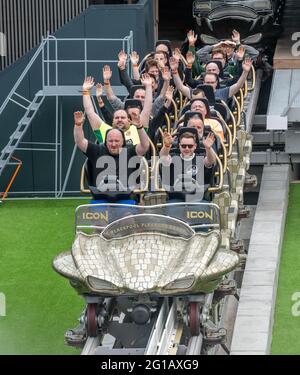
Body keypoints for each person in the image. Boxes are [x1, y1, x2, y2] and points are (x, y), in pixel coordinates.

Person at [73, 109, 149, 204]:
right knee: (97, 217)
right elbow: (80, 142)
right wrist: (78, 125)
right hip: (100, 198)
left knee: (128, 216)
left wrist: (139, 127)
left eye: (117, 141)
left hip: (125, 198)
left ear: (123, 142)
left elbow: (145, 146)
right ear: (105, 142)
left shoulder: (129, 151)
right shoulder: (97, 150)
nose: (113, 144)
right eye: (110, 141)